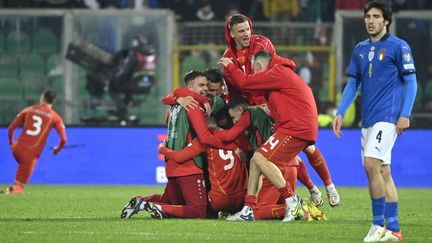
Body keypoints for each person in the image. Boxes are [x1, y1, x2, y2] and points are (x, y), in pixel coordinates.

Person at [223, 14, 340, 207]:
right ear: (232, 34)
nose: (247, 34)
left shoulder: (261, 44)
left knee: (302, 148)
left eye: (248, 29)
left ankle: (327, 186)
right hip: (255, 108)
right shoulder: (228, 57)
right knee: (270, 155)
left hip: (272, 104)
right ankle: (262, 204)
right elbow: (234, 88)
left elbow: (262, 74)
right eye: (241, 31)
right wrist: (241, 108)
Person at [332, 1, 417, 241]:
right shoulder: (360, 49)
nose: (370, 20)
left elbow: (411, 82)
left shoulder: (399, 47)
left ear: (386, 21)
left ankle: (378, 224)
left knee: (370, 164)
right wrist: (340, 111)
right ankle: (394, 229)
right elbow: (353, 83)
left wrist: (405, 114)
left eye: (376, 16)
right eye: (368, 16)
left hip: (388, 117)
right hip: (367, 120)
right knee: (383, 171)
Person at [121, 70, 236, 219]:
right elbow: (205, 137)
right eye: (206, 87)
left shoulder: (181, 105)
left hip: (174, 165)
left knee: (171, 202)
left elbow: (171, 99)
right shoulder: (194, 105)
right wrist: (230, 145)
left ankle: (141, 202)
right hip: (189, 164)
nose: (210, 92)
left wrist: (179, 99)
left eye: (216, 90)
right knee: (197, 211)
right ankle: (155, 207)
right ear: (191, 88)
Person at [219, 50, 318, 222]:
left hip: (296, 128)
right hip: (296, 127)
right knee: (256, 160)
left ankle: (291, 200)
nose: (256, 76)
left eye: (256, 71)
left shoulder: (276, 72)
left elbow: (244, 82)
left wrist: (230, 66)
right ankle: (248, 209)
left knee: (261, 158)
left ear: (258, 66)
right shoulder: (281, 74)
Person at [215, 95, 325, 210]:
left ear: (241, 110)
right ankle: (299, 204)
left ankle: (302, 208)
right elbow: (297, 159)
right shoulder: (267, 114)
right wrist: (311, 187)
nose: (234, 121)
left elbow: (229, 136)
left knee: (258, 211)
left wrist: (211, 130)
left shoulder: (250, 114)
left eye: (233, 117)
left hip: (273, 171)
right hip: (290, 169)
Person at [159, 115, 248, 215]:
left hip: (219, 200)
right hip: (243, 199)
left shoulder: (204, 140)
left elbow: (179, 157)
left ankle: (161, 209)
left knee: (195, 208)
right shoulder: (236, 138)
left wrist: (162, 149)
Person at [4, 90, 67, 194]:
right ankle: (13, 190)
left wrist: (11, 144)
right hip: (31, 154)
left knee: (19, 175)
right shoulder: (55, 117)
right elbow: (64, 139)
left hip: (17, 148)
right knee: (19, 186)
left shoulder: (28, 110)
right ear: (54, 101)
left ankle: (9, 190)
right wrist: (57, 150)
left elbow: (11, 128)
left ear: (42, 97)